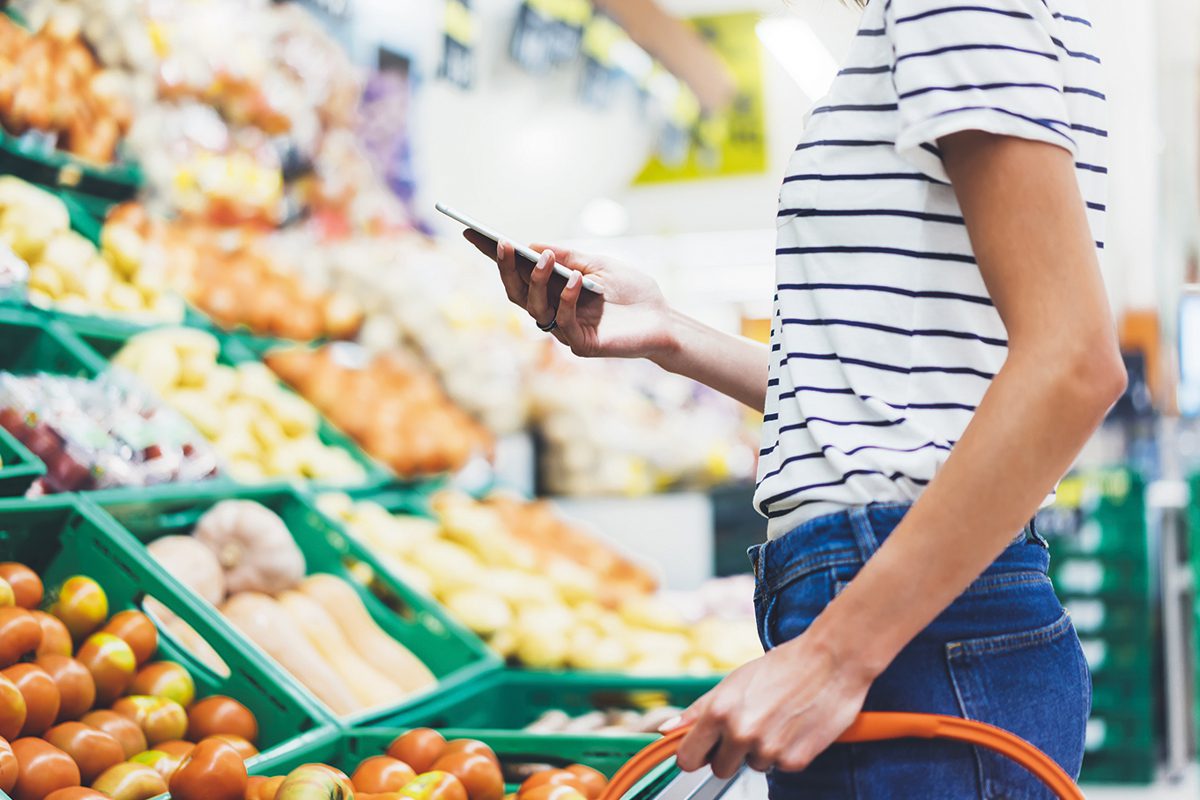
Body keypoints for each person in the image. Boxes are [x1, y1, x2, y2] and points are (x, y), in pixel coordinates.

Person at [468, 0, 1121, 795]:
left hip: (913, 625)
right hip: (908, 618)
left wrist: (834, 654)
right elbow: (887, 395)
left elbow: (1074, 362)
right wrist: (670, 333)